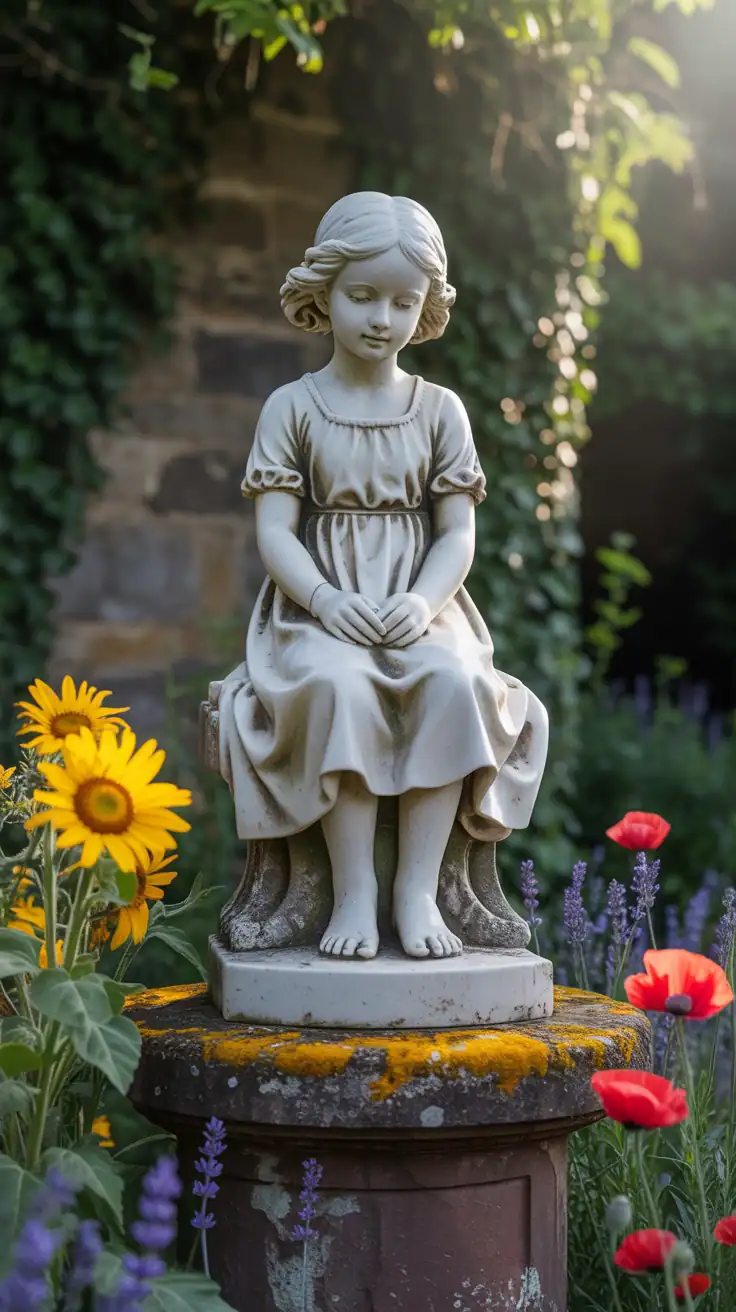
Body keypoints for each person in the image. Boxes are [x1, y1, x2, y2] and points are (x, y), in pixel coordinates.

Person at [218, 191, 548, 962]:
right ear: (323, 292)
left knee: (454, 682)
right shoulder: (292, 406)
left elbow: (457, 531)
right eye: (362, 296)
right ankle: (356, 888)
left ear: (426, 306)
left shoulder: (440, 410)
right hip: (315, 607)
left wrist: (421, 601)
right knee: (339, 685)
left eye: (404, 302)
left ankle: (418, 890)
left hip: (419, 601)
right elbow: (275, 531)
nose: (381, 318)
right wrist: (327, 601)